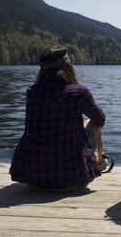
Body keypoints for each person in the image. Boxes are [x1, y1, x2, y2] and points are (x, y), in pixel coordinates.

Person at [10, 46, 106, 191]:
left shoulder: (32, 91)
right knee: (92, 122)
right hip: (71, 179)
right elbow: (100, 120)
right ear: (68, 67)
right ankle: (99, 162)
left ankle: (98, 161)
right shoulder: (79, 92)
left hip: (32, 180)